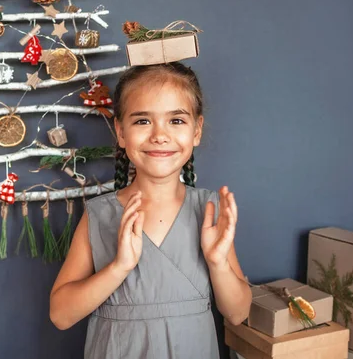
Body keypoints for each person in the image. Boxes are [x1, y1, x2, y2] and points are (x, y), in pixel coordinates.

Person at [50, 62, 252, 358]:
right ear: (121, 131)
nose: (160, 135)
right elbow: (61, 315)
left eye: (176, 121)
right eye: (143, 121)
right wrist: (119, 267)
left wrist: (218, 263)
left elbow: (237, 313)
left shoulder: (209, 210)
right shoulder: (99, 214)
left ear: (197, 130)